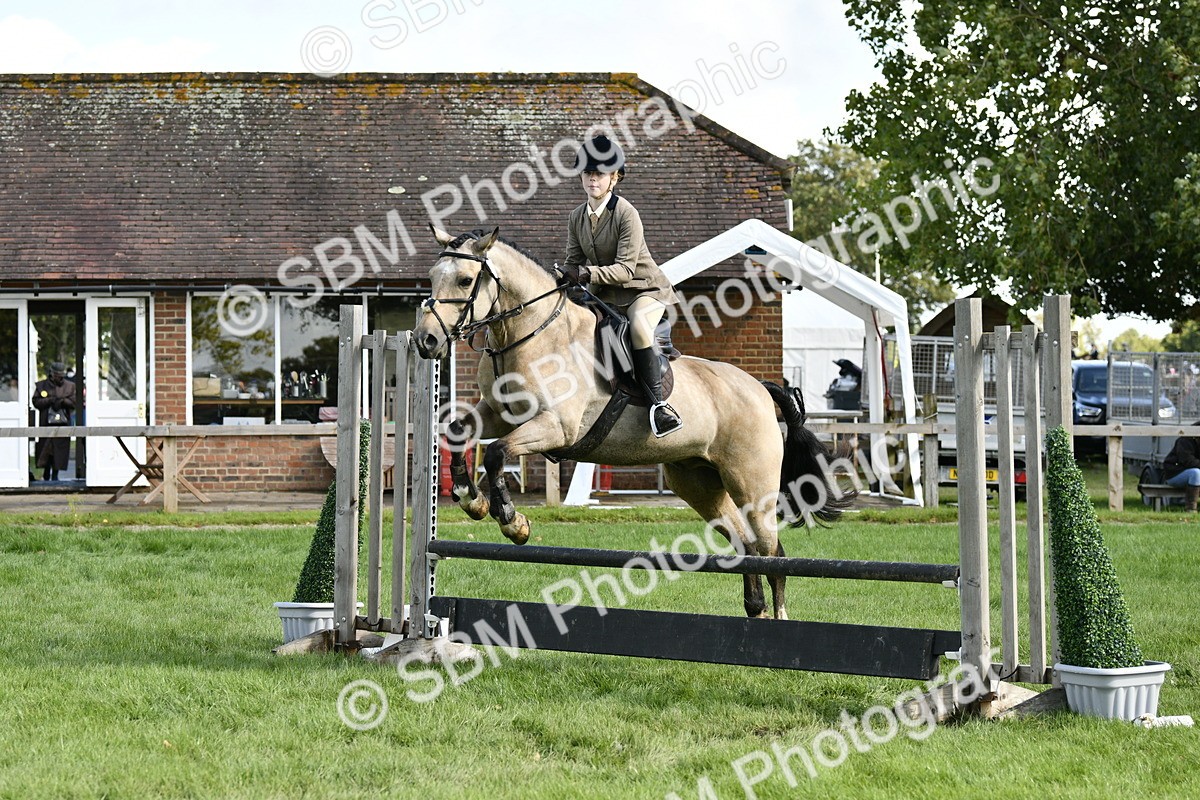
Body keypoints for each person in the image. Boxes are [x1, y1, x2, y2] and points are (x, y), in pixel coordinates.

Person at [562, 134, 683, 437]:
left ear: (614, 178)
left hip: (643, 290)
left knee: (640, 327)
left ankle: (658, 407)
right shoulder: (576, 217)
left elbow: (626, 270)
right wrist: (562, 277)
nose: (593, 179)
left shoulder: (627, 213)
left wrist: (586, 274)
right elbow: (573, 261)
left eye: (600, 174)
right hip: (606, 296)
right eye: (588, 173)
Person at [32, 361, 75, 481]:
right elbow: (36, 402)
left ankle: (55, 474)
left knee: (59, 450)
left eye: (61, 375)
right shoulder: (42, 386)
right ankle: (46, 473)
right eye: (56, 375)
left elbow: (74, 403)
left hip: (62, 423)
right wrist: (50, 400)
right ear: (51, 373)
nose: (59, 377)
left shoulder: (70, 386)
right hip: (46, 422)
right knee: (46, 449)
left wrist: (62, 401)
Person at [1162, 424, 1200, 512]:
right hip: (1175, 474)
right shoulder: (1184, 441)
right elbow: (1188, 461)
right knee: (1196, 473)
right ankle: (1191, 508)